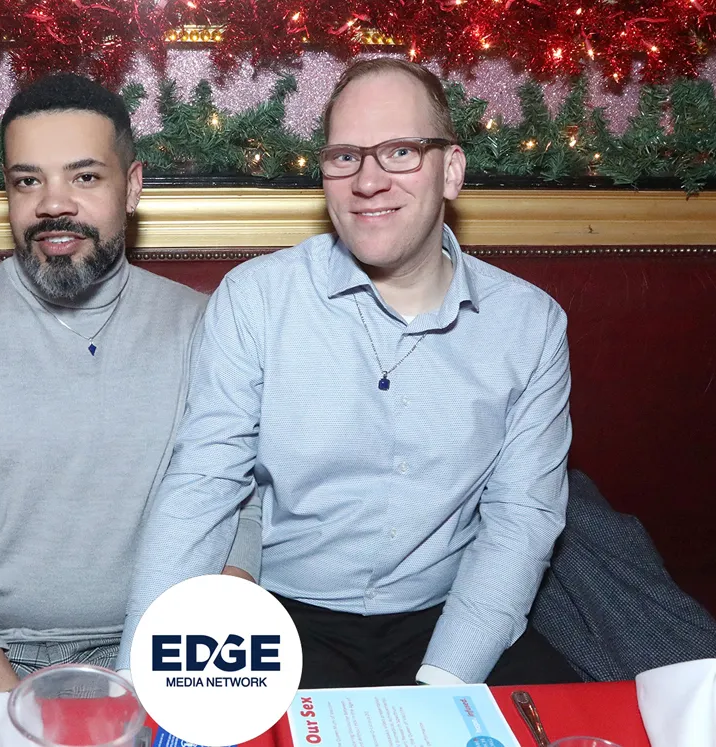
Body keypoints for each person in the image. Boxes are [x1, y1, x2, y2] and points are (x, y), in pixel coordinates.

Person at [117, 58, 576, 687]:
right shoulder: (256, 299)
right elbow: (203, 484)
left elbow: (520, 521)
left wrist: (444, 683)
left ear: (451, 171)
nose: (368, 181)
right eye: (345, 157)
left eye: (400, 152)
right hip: (284, 617)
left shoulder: (530, 324)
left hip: (452, 614)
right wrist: (137, 675)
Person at [0, 73, 260, 705]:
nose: (54, 204)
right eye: (28, 181)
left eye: (85, 177)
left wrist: (192, 654)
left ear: (131, 187)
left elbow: (238, 509)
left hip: (149, 643)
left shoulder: (206, 326)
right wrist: (11, 712)